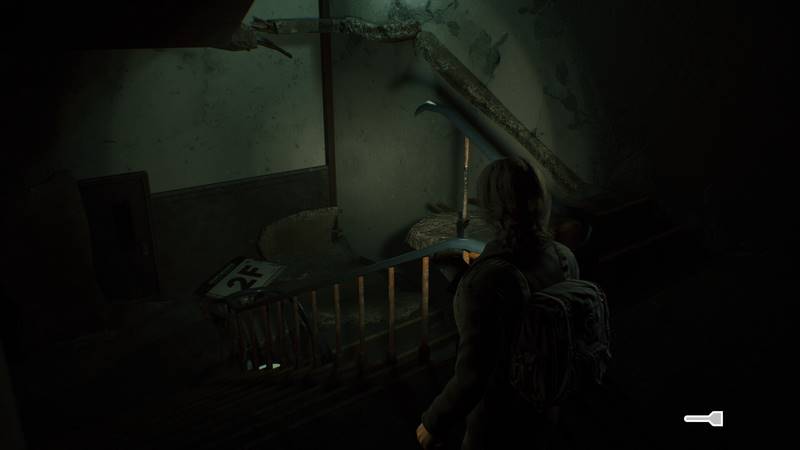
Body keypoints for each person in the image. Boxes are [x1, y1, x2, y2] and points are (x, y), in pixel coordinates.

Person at [416, 156, 580, 450]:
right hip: (547, 406)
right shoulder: (564, 256)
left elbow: (472, 376)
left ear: (492, 208)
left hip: (498, 423)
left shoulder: (487, 280)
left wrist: (432, 422)